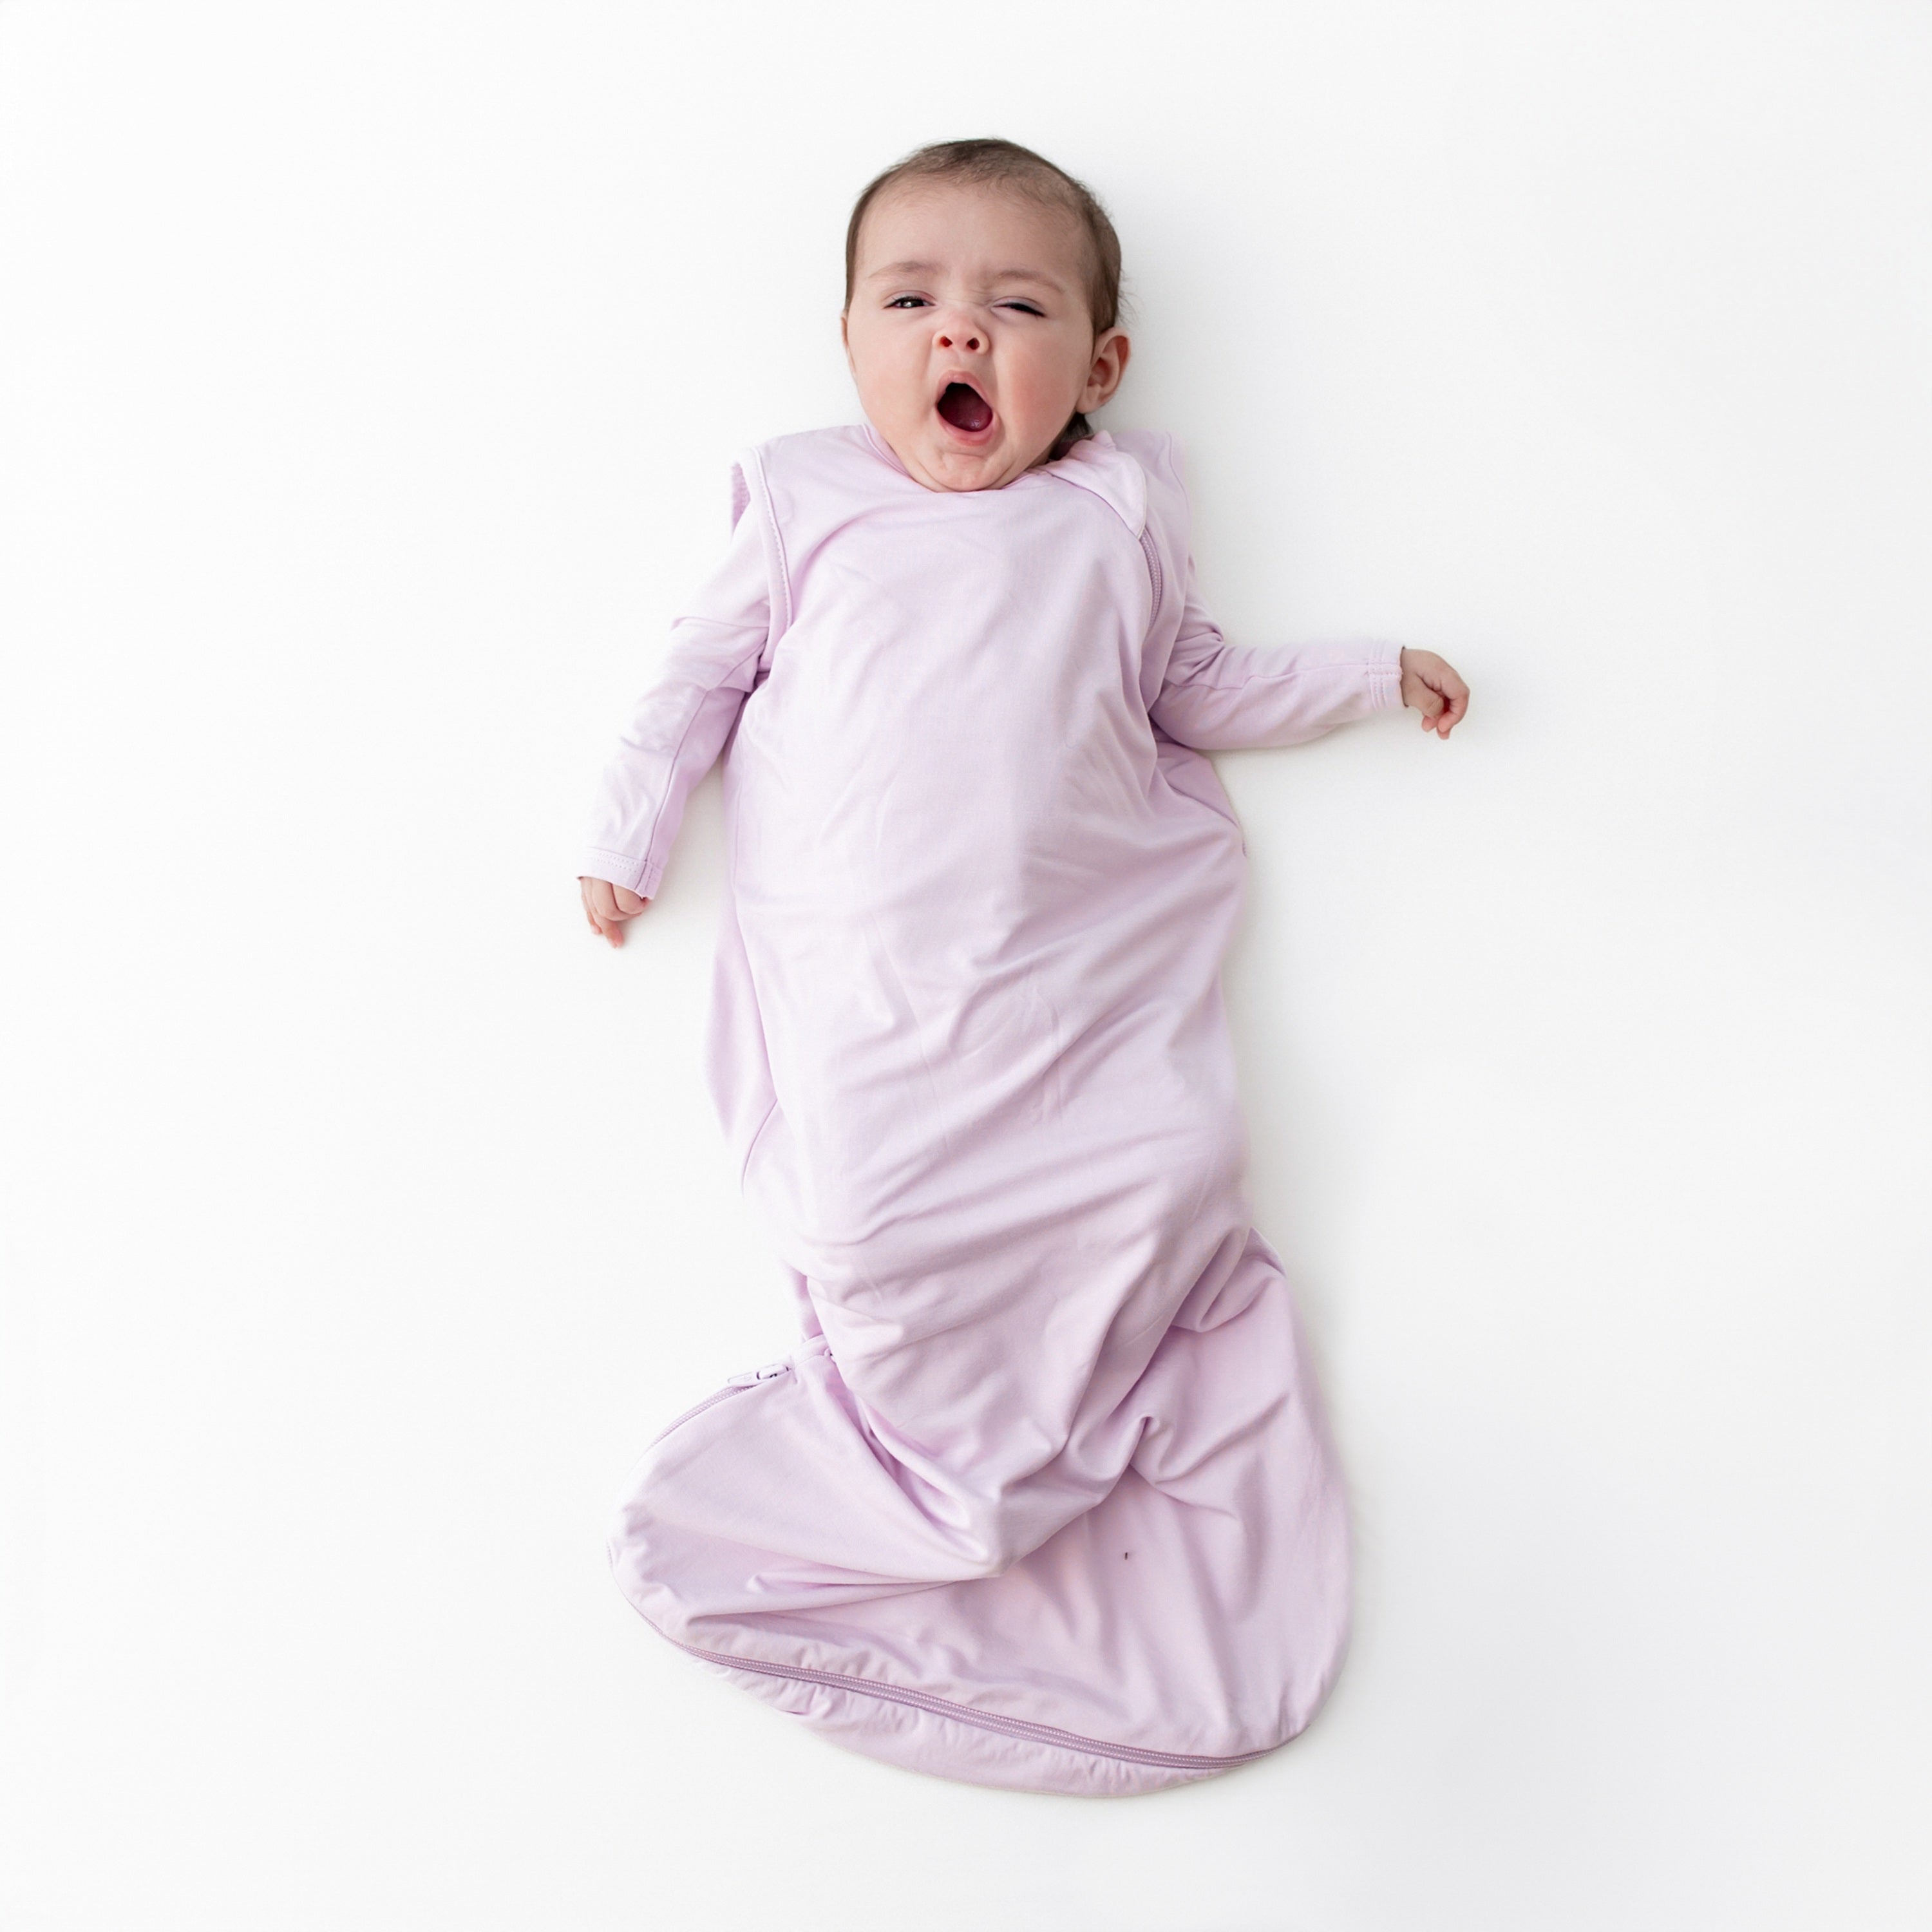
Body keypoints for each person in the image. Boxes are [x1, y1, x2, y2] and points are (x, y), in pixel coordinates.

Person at [575, 138, 1469, 1797]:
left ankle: (1096, 1409)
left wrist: (1363, 673)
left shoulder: (1115, 511)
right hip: (879, 996)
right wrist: (629, 832)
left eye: (1016, 305)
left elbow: (1198, 688)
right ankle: (916, 1470)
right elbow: (689, 684)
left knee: (1164, 1164)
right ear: (851, 343)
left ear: (1099, 368)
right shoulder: (802, 497)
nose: (960, 337)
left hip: (1067, 982)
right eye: (911, 301)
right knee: (865, 1219)